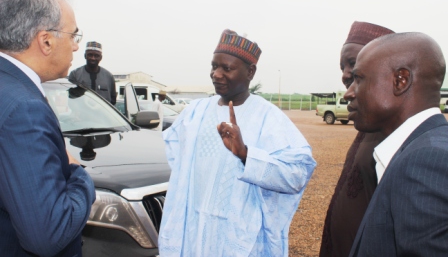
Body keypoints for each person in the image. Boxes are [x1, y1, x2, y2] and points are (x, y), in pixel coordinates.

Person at [159, 29, 316, 256]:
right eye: (214, 66)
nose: (216, 74)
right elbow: (177, 158)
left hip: (241, 240)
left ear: (250, 72)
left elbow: (297, 174)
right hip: (192, 234)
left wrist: (246, 155)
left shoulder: (269, 118)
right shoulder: (194, 113)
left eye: (227, 68)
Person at [0, 0, 96, 256]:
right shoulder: (24, 109)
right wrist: (80, 177)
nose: (76, 47)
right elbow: (47, 234)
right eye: (73, 36)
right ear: (46, 40)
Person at [344, 32, 448, 256]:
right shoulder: (426, 146)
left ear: (400, 81)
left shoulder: (423, 162)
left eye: (359, 78)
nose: (348, 93)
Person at [320, 21, 394, 257]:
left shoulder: (398, 130)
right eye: (342, 66)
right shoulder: (367, 122)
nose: (344, 75)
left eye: (353, 64)